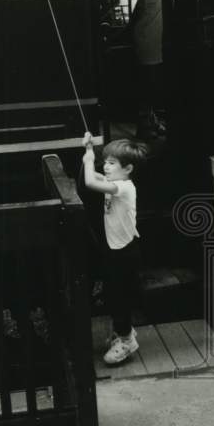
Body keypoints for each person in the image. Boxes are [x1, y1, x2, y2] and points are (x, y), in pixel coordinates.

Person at [82, 133, 148, 365]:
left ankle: (127, 340)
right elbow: (91, 177)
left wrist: (90, 158)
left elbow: (90, 182)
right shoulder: (115, 182)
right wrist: (88, 152)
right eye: (105, 161)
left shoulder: (125, 187)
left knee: (119, 298)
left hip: (125, 252)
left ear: (128, 168)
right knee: (113, 295)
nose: (106, 166)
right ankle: (125, 332)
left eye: (112, 163)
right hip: (116, 250)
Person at [126, 0, 192, 141]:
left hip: (142, 36)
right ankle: (147, 126)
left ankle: (149, 122)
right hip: (154, 37)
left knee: (146, 82)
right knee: (155, 84)